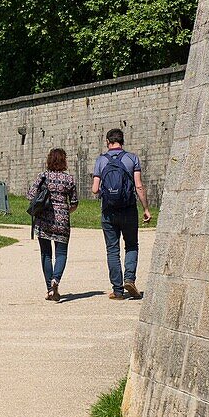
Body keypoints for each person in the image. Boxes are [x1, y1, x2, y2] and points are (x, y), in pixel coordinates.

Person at [92, 128, 151, 300]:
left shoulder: (101, 160)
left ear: (108, 142)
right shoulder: (132, 158)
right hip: (128, 209)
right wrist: (146, 208)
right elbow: (138, 186)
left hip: (109, 211)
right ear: (122, 141)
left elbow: (95, 189)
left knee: (112, 250)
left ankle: (117, 291)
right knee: (131, 245)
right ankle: (130, 279)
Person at [27, 148, 79, 302]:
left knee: (46, 254)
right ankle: (56, 279)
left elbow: (30, 196)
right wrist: (65, 210)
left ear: (49, 160)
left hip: (43, 220)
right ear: (64, 161)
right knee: (61, 254)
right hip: (62, 221)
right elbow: (75, 202)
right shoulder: (69, 179)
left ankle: (50, 289)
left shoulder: (43, 176)